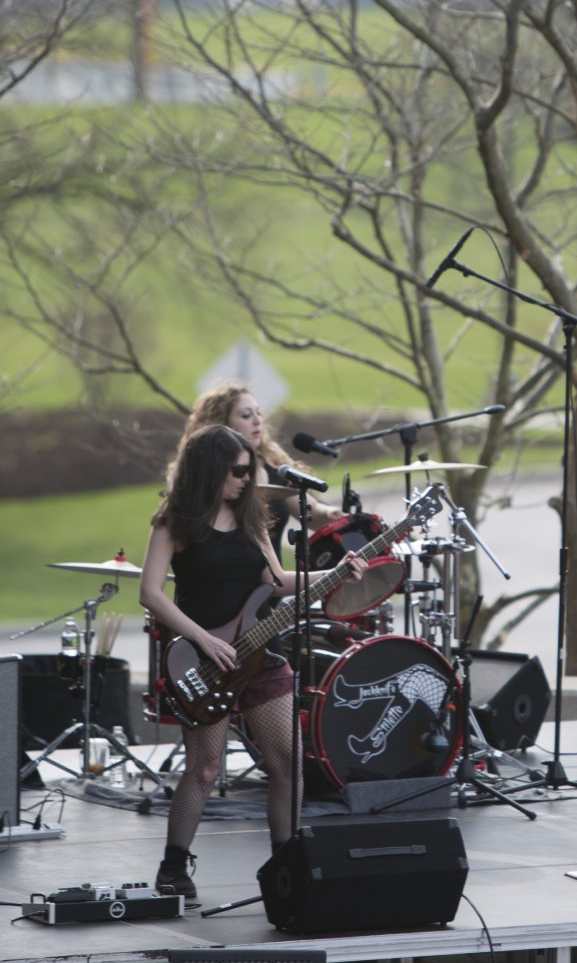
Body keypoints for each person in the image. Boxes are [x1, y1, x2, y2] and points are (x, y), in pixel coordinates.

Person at [141, 424, 367, 897]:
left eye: (250, 469)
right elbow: (150, 593)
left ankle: (286, 864)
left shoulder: (252, 517)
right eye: (240, 471)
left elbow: (278, 579)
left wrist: (338, 572)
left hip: (262, 652)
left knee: (288, 762)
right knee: (204, 768)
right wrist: (204, 639)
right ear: (210, 471)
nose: (248, 479)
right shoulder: (174, 521)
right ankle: (173, 867)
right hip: (204, 659)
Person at [166, 381, 343, 562]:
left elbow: (312, 513)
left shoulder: (273, 468)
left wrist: (329, 512)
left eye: (258, 413)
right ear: (220, 425)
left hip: (274, 586)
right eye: (246, 415)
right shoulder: (200, 481)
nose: (258, 420)